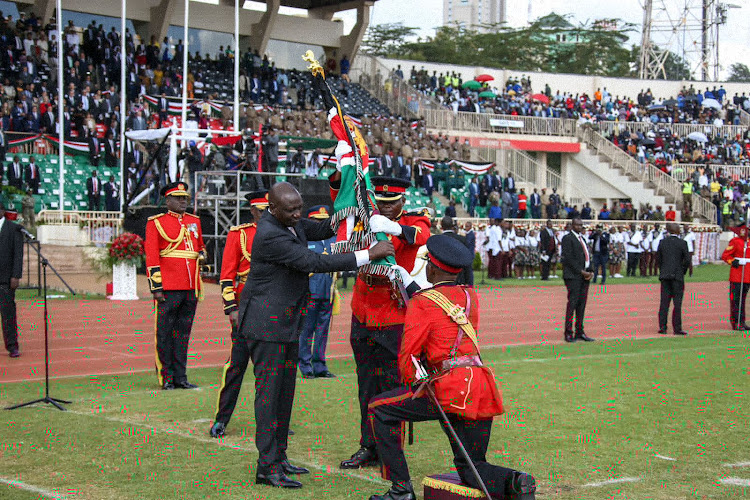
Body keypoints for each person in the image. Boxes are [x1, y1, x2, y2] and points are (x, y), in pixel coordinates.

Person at [235, 182, 394, 489]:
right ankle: (266, 466)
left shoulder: (289, 222)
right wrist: (367, 254)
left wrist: (352, 210)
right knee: (269, 397)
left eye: (299, 207)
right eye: (291, 210)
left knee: (284, 395)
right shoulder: (270, 234)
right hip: (267, 326)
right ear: (273, 208)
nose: (298, 214)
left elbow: (321, 229)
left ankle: (278, 458)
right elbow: (313, 262)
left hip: (286, 322)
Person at [367, 235, 537, 500]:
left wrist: (412, 383)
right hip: (479, 386)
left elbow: (408, 354)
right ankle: (516, 482)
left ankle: (400, 489)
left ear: (432, 268)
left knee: (379, 408)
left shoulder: (422, 301)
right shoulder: (470, 297)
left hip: (448, 389)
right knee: (472, 468)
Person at [338, 176, 430, 470]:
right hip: (363, 310)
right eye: (383, 204)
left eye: (393, 204)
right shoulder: (365, 217)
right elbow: (342, 203)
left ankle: (390, 451)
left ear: (403, 202)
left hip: (394, 316)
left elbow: (421, 235)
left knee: (391, 387)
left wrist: (394, 228)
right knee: (366, 385)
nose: (387, 209)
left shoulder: (413, 220)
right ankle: (368, 445)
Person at [210, 190, 268, 439]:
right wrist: (230, 307)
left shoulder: (286, 232)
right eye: (261, 210)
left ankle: (273, 421)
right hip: (245, 307)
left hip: (273, 308)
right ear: (252, 211)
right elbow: (227, 275)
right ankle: (222, 419)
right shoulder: (240, 234)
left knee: (270, 371)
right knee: (236, 366)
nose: (266, 215)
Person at [145, 182, 207, 390]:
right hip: (169, 286)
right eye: (178, 198)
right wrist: (156, 287)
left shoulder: (194, 221)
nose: (183, 201)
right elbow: (152, 256)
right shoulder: (157, 223)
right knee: (164, 333)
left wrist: (202, 255)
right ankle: (167, 377)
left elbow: (200, 246)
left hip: (191, 285)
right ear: (167, 200)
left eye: (185, 198)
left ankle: (181, 376)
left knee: (183, 333)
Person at [298, 205, 337, 379]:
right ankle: (305, 365)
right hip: (310, 291)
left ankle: (320, 365)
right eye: (318, 221)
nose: (321, 224)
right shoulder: (304, 239)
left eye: (324, 221)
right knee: (307, 330)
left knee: (322, 331)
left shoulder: (332, 239)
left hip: (327, 291)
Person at [561, 218, 595, 343]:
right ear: (572, 225)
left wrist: (590, 270)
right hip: (573, 276)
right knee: (573, 304)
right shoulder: (567, 238)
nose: (579, 227)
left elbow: (587, 257)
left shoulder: (582, 239)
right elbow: (568, 258)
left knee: (582, 305)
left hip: (584, 277)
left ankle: (580, 331)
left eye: (581, 225)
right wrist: (581, 271)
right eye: (577, 225)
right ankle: (568, 332)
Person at [656, 223, 690, 336]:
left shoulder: (663, 242)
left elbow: (658, 259)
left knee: (664, 303)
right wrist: (682, 271)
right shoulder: (682, 243)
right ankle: (677, 328)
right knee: (677, 303)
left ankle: (663, 327)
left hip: (665, 276)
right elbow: (687, 260)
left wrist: (663, 270)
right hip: (677, 276)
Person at [0, 202, 23, 358]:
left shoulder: (12, 228)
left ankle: (12, 346)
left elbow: (18, 254)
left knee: (8, 314)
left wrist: (16, 275)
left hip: (6, 279)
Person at [721, 225, 750, 330]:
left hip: (747, 275)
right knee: (736, 300)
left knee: (743, 300)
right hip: (738, 275)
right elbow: (725, 256)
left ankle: (742, 321)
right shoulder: (735, 241)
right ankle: (736, 322)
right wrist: (733, 261)